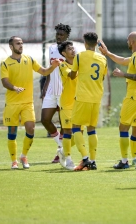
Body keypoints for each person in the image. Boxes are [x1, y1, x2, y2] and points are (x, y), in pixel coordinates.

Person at [0, 36, 60, 169]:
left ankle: (24, 156)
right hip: (12, 104)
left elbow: (44, 71)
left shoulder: (29, 59)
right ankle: (14, 161)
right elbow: (4, 81)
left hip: (27, 102)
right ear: (11, 47)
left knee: (31, 129)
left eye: (21, 43)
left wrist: (53, 66)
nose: (21, 45)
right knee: (12, 132)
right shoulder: (5, 63)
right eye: (18, 43)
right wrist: (14, 88)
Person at [99, 32, 136, 170]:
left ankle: (124, 161)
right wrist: (108, 53)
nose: (126, 42)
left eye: (128, 40)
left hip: (135, 96)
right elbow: (123, 60)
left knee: (123, 127)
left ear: (132, 41)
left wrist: (123, 75)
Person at [70, 32, 108, 171]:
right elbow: (103, 77)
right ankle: (93, 160)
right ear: (96, 43)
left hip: (83, 97)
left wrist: (69, 72)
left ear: (85, 43)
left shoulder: (79, 56)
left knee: (76, 126)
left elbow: (73, 75)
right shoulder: (102, 58)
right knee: (91, 128)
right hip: (96, 97)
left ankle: (85, 159)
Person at [41, 23, 71, 163]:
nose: (59, 36)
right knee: (45, 120)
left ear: (67, 36)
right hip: (52, 90)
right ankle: (61, 146)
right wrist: (46, 86)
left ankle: (61, 154)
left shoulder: (70, 49)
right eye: (57, 34)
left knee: (64, 124)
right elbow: (50, 69)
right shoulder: (52, 48)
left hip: (65, 91)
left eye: (61, 34)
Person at [56, 41, 78, 170]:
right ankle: (69, 159)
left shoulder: (80, 63)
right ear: (64, 53)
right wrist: (79, 64)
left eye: (73, 48)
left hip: (79, 103)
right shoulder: (62, 65)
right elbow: (72, 74)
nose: (73, 50)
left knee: (79, 133)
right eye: (69, 49)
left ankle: (63, 150)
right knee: (68, 131)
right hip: (67, 103)